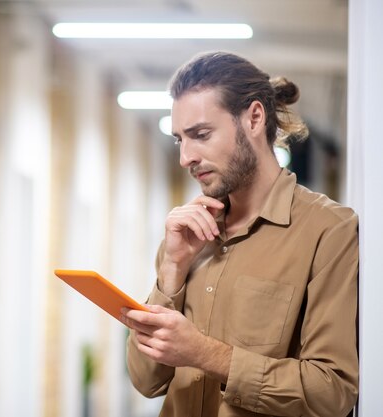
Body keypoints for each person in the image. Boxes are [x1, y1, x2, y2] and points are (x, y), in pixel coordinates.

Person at [122, 52, 358, 417]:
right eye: (179, 140)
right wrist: (172, 270)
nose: (186, 157)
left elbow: (332, 392)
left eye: (201, 135)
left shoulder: (329, 231)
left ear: (254, 118)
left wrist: (202, 353)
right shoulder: (186, 237)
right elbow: (146, 380)